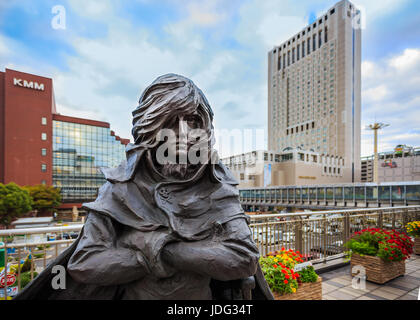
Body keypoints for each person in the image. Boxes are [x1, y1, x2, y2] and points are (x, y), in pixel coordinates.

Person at [15, 74, 273, 300]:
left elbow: (243, 258)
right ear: (150, 126)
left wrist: (158, 248)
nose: (183, 133)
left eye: (193, 121)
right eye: (170, 121)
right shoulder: (120, 185)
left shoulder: (216, 182)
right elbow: (85, 262)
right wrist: (172, 254)